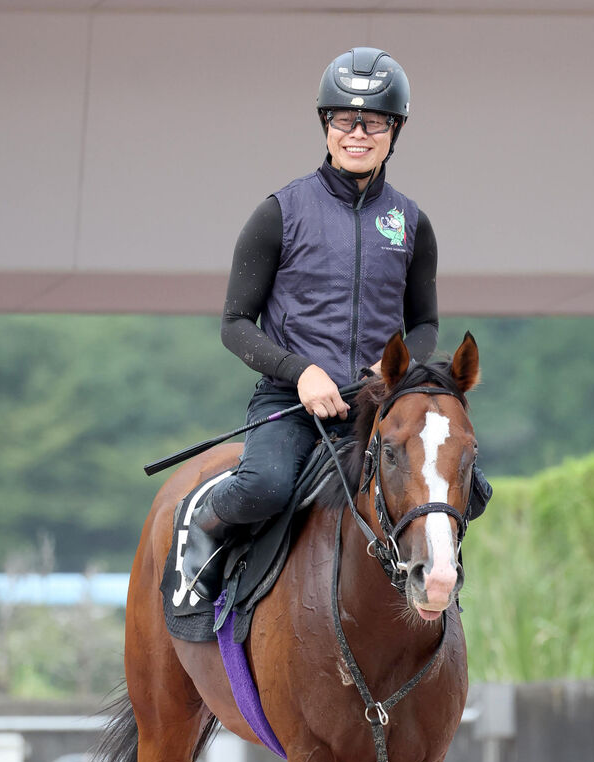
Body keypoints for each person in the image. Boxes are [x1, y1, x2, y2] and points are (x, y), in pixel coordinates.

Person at [183, 46, 441, 600]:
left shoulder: (412, 223)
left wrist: (392, 366)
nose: (358, 132)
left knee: (469, 485)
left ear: (395, 129)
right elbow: (234, 323)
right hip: (293, 403)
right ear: (326, 124)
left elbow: (424, 325)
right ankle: (207, 522)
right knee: (266, 485)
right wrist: (301, 372)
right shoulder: (279, 212)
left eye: (373, 121)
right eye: (344, 119)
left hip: (377, 404)